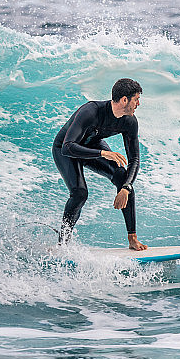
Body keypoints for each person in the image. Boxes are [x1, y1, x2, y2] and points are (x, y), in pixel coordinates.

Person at [52, 78, 148, 251]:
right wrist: (102, 153)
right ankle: (62, 243)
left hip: (92, 147)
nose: (138, 104)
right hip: (65, 149)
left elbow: (134, 159)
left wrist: (126, 187)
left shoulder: (129, 122)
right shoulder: (91, 111)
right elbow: (68, 147)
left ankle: (132, 238)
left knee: (122, 177)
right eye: (136, 99)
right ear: (124, 100)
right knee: (80, 193)